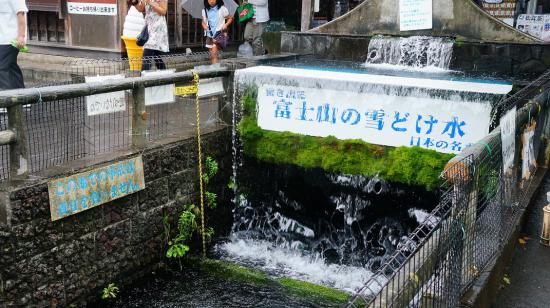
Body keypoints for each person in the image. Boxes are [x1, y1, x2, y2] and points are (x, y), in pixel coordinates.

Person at [130, 0, 169, 70]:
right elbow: (140, 9)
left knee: (147, 52)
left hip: (158, 27)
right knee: (156, 54)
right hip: (149, 26)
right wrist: (135, 2)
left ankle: (143, 77)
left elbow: (163, 12)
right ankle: (164, 74)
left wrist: (150, 2)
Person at [0, 0, 28, 90]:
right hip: (3, 37)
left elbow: (21, 13)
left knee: (2, 68)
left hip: (11, 39)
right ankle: (24, 99)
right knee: (11, 68)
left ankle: (8, 100)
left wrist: (21, 36)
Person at [202, 0, 233, 64]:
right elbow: (203, 22)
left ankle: (215, 70)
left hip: (218, 34)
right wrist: (204, 26)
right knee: (212, 55)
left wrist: (226, 25)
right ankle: (214, 68)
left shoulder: (222, 9)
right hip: (209, 35)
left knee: (214, 54)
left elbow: (230, 18)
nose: (211, 1)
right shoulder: (204, 10)